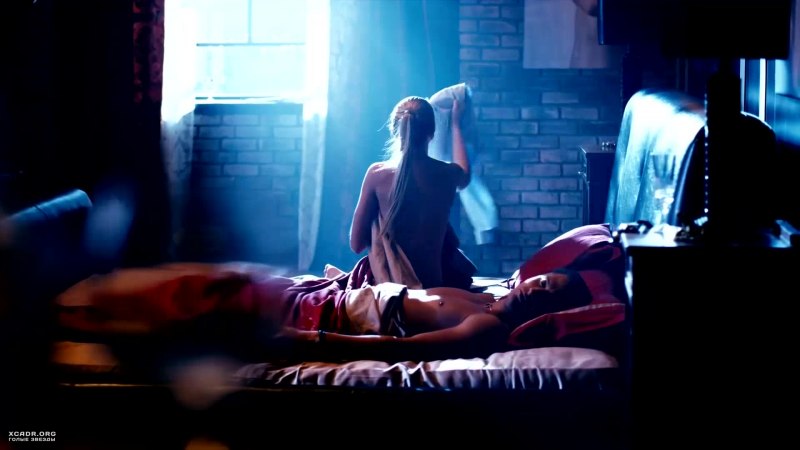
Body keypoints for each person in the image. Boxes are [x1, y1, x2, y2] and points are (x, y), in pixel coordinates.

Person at [56, 262, 600, 363]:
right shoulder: (491, 292)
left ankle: (82, 322)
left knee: (210, 307)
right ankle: (85, 305)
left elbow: (401, 349)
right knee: (220, 282)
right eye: (542, 279)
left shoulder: (487, 325)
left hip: (326, 322)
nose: (536, 285)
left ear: (545, 309)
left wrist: (311, 343)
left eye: (546, 291)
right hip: (333, 298)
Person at [348, 95, 474, 290]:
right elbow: (465, 174)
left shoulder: (377, 174)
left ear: (395, 130)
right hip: (434, 283)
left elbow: (356, 245)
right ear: (432, 132)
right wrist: (455, 124)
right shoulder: (448, 173)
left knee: (377, 221)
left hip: (391, 288)